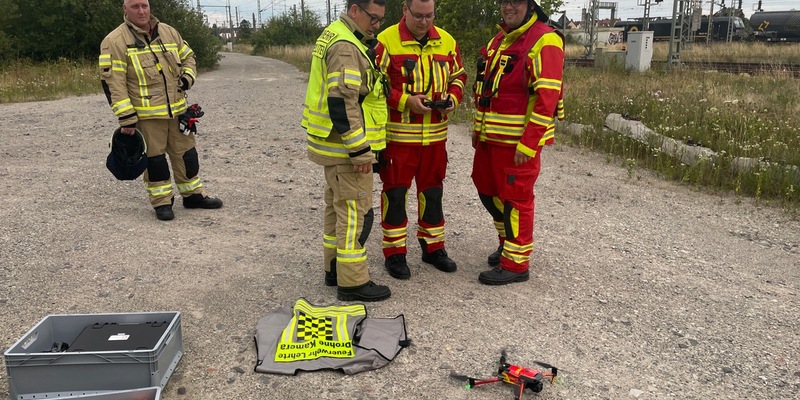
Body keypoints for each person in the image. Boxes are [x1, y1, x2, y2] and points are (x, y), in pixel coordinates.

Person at [99, 0, 222, 221]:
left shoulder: (168, 32)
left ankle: (193, 195)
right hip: (147, 117)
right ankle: (162, 202)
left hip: (178, 112)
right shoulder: (114, 41)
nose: (142, 11)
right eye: (135, 6)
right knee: (155, 162)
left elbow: (189, 57)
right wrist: (126, 119)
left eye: (144, 5)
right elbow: (113, 83)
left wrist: (187, 77)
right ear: (125, 9)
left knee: (187, 156)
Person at [302, 0, 391, 302]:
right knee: (356, 212)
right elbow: (341, 102)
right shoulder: (345, 45)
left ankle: (333, 270)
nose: (376, 26)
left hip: (331, 144)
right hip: (346, 149)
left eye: (380, 20)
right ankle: (352, 282)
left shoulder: (335, 33)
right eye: (373, 18)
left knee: (336, 209)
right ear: (355, 10)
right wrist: (361, 151)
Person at [471, 0, 565, 285]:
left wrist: (529, 144)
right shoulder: (500, 38)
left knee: (516, 201)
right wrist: (478, 129)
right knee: (486, 189)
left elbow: (546, 99)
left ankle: (516, 263)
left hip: (517, 144)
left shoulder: (545, 40)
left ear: (530, 4)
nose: (508, 7)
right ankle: (507, 242)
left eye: (516, 1)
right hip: (491, 139)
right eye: (504, 1)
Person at [374, 0, 466, 280]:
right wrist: (405, 101)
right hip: (399, 139)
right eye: (419, 16)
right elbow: (375, 85)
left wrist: (453, 97)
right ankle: (395, 253)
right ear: (405, 10)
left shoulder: (447, 41)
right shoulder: (386, 41)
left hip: (435, 139)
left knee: (433, 194)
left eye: (430, 16)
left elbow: (459, 76)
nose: (425, 22)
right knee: (395, 195)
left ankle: (433, 247)